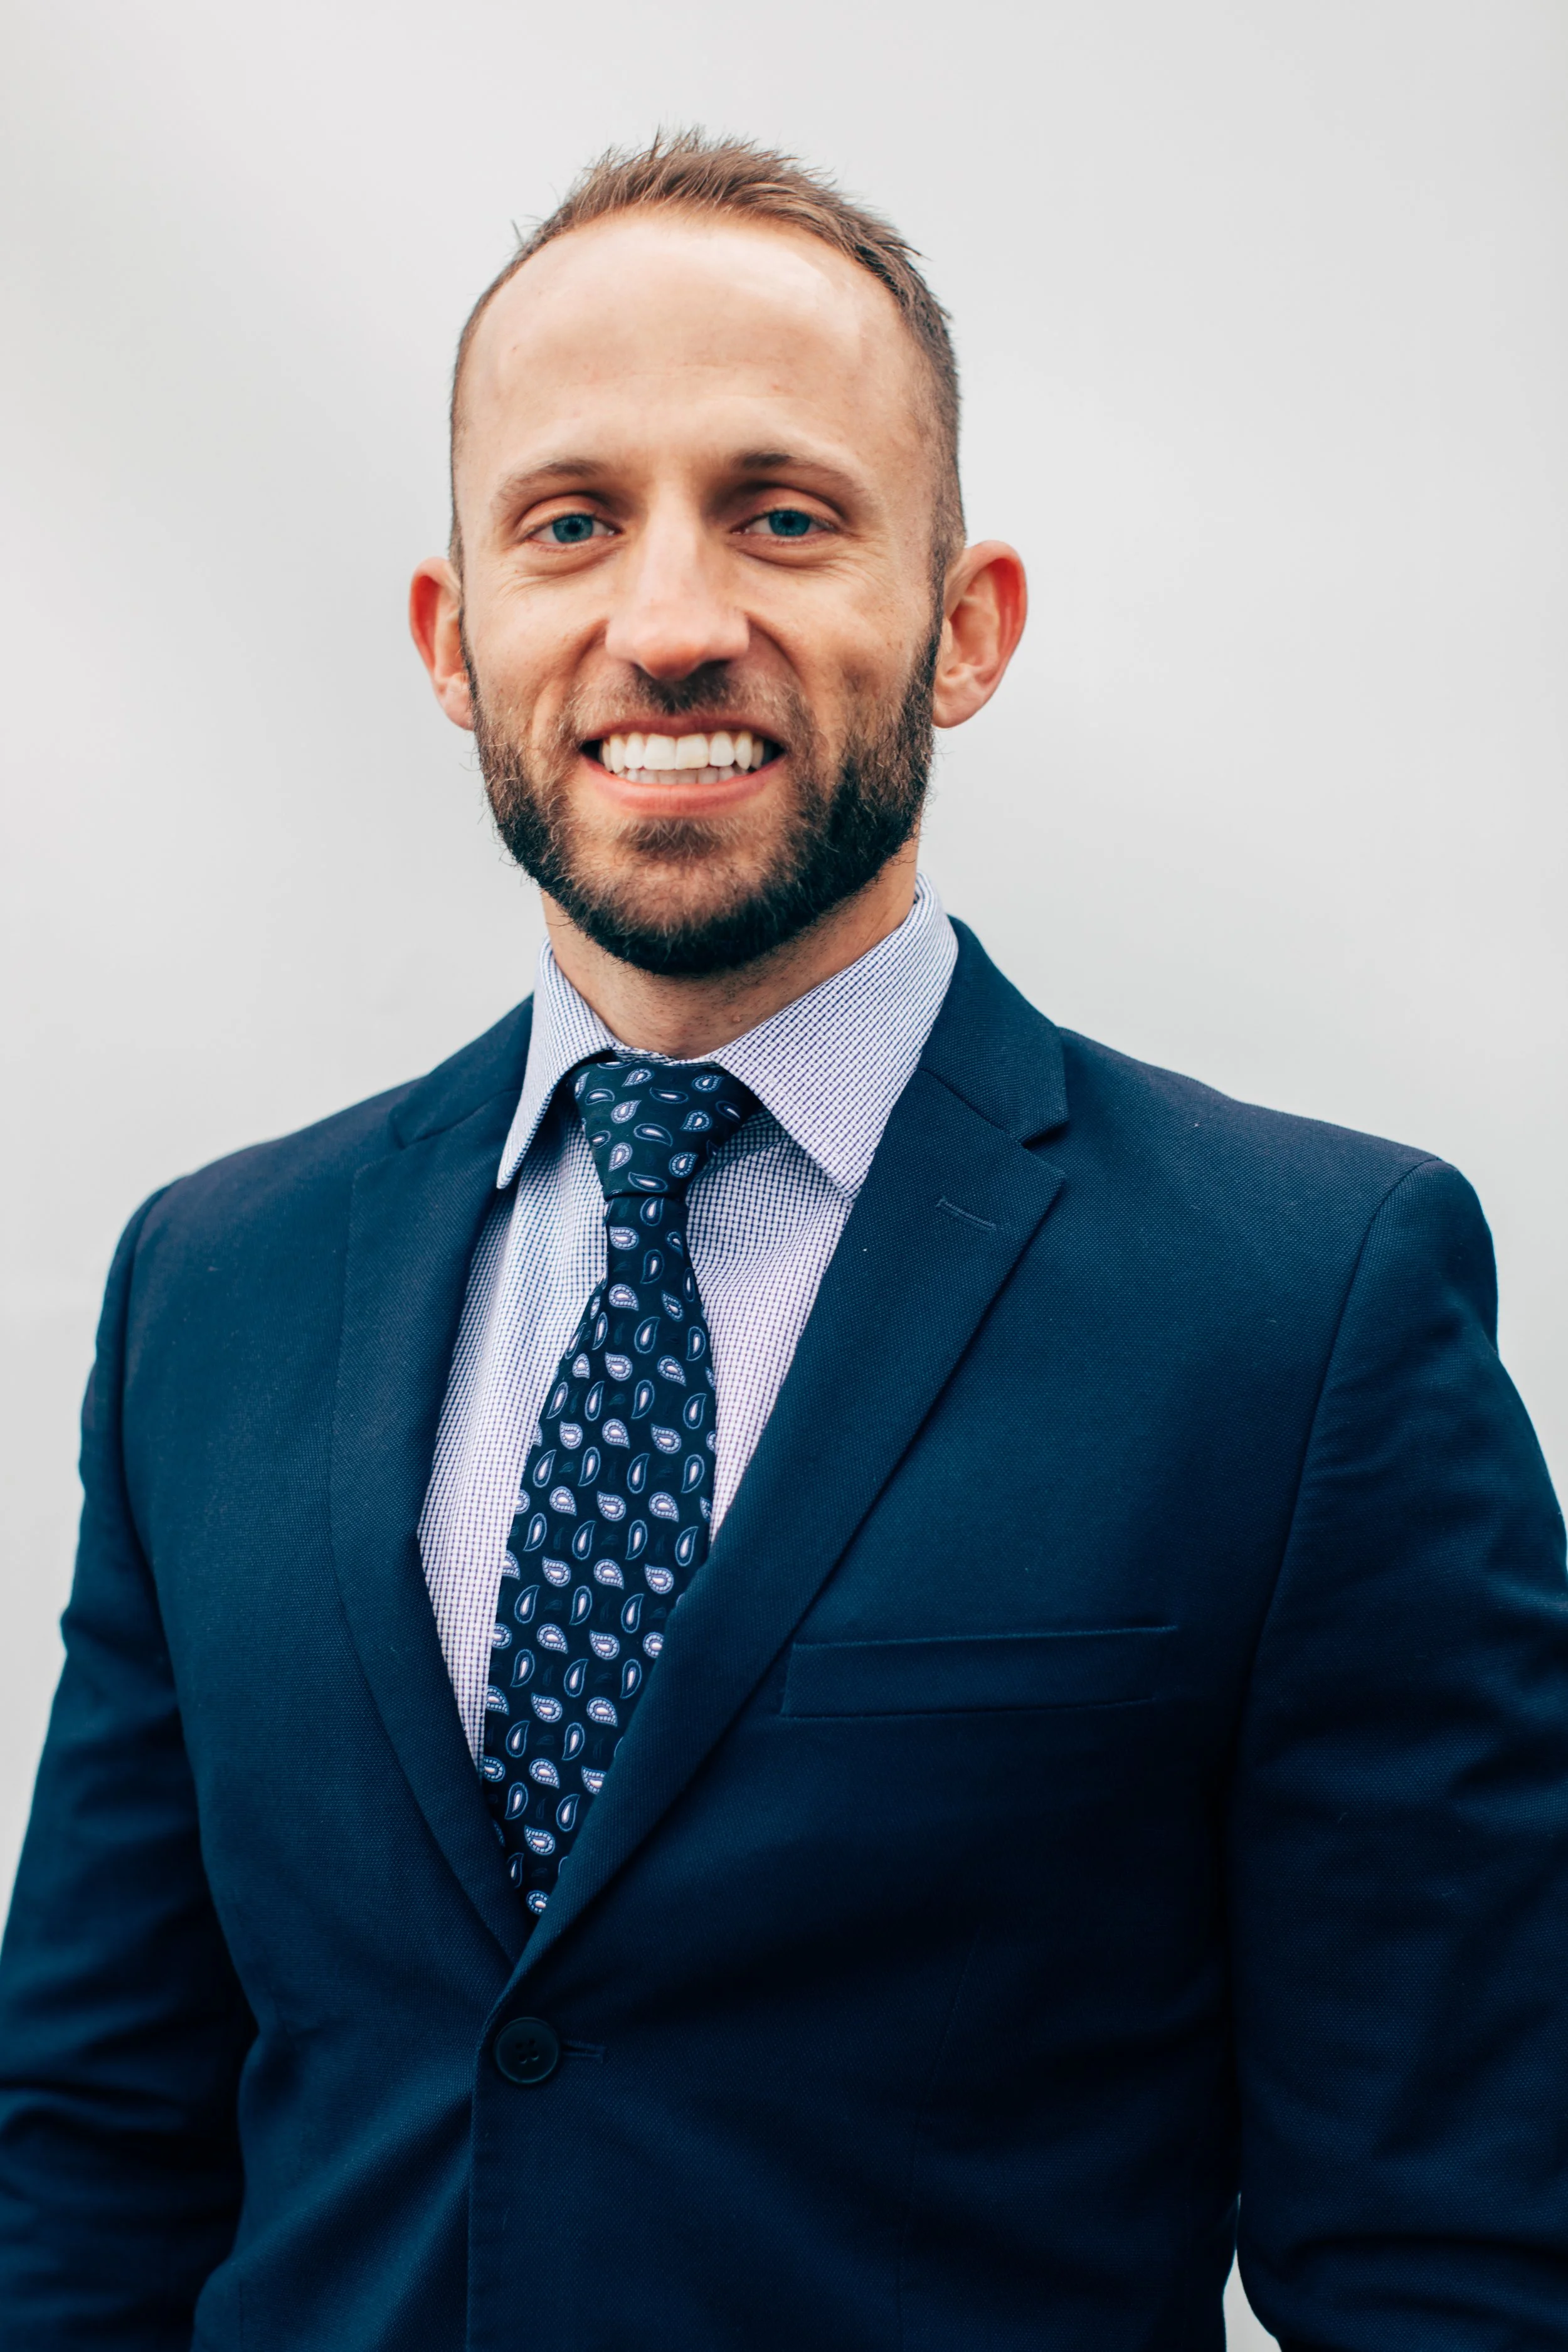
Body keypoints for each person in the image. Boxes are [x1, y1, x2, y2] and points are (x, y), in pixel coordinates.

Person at [1, 129, 1565, 2352]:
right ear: (455, 640)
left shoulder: (1305, 1306)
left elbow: (1451, 2254)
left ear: (965, 623)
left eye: (784, 513)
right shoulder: (211, 1289)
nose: (667, 620)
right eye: (570, 523)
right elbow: (91, 2147)